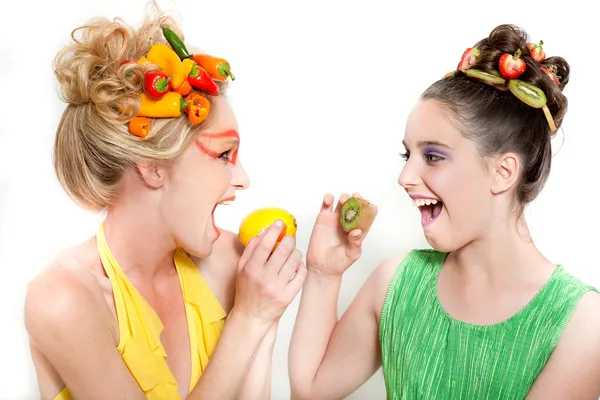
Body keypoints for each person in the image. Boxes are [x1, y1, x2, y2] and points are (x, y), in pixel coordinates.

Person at [288, 24, 600, 399]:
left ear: (503, 173)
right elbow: (309, 391)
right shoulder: (396, 283)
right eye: (408, 155)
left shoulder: (582, 324)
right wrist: (323, 274)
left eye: (433, 156)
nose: (405, 177)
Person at [24, 5, 306, 400]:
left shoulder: (229, 262)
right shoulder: (63, 298)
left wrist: (268, 317)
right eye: (224, 155)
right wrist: (249, 318)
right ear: (152, 168)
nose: (242, 179)